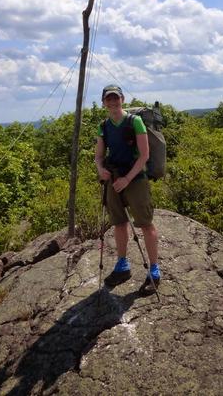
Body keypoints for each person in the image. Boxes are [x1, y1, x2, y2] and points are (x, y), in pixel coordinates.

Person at [95, 84, 160, 294]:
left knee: (146, 224)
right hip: (113, 178)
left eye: (116, 98)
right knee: (119, 223)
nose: (113, 102)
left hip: (136, 178)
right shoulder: (103, 126)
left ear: (122, 99)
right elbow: (98, 155)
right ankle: (123, 265)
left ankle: (154, 270)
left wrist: (127, 178)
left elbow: (144, 156)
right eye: (109, 99)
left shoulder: (135, 121)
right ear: (104, 102)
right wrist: (100, 169)